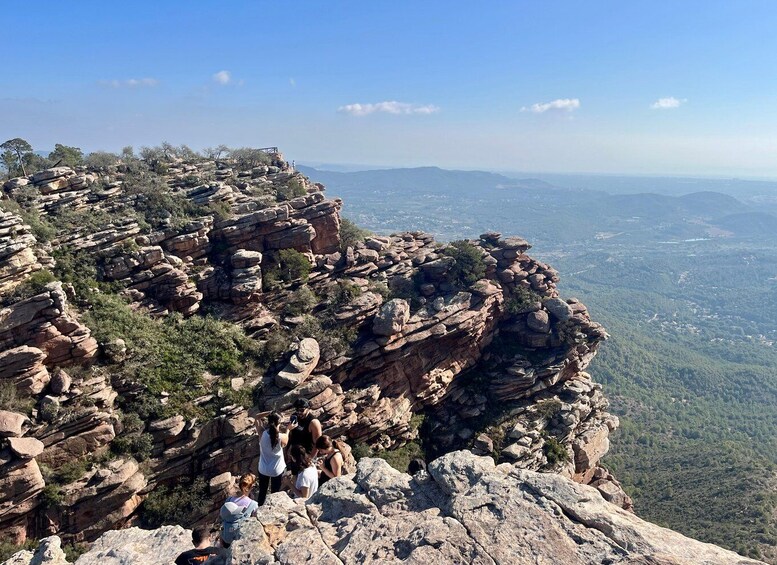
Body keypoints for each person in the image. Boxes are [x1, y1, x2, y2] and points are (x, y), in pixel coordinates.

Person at [257, 411, 288, 505]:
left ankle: (260, 507)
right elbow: (286, 442)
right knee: (275, 493)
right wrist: (289, 429)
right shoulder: (281, 437)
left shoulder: (262, 433)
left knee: (262, 492)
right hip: (276, 470)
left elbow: (257, 417)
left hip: (263, 468)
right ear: (279, 423)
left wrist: (270, 413)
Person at [220, 473, 258, 547]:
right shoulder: (253, 504)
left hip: (226, 538)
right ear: (251, 487)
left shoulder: (229, 500)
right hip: (240, 540)